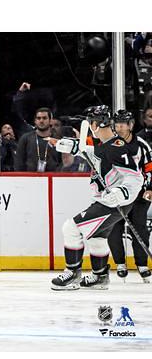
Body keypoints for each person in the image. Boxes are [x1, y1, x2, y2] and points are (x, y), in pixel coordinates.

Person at [50, 105, 144, 290]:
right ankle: (100, 277)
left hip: (114, 203)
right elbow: (94, 155)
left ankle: (72, 274)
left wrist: (121, 193)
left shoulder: (116, 147)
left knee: (71, 228)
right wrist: (72, 146)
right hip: (109, 201)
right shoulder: (107, 144)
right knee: (97, 238)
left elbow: (136, 177)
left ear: (94, 124)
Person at [108, 109, 152, 282]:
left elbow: (149, 168)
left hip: (139, 194)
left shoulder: (142, 145)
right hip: (118, 194)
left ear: (131, 125)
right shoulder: (109, 144)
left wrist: (149, 188)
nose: (119, 127)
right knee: (114, 228)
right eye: (117, 123)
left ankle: (142, 264)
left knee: (140, 229)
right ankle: (120, 263)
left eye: (123, 124)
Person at [14, 107, 61, 172]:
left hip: (53, 178)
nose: (41, 121)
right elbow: (19, 163)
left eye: (44, 118)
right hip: (29, 179)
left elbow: (62, 163)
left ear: (50, 121)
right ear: (35, 121)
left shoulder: (57, 140)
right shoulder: (25, 138)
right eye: (38, 118)